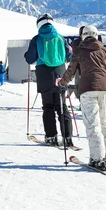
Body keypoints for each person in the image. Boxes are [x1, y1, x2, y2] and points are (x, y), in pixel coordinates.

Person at [58, 25, 106, 171]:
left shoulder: (79, 51)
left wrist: (62, 82)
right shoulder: (104, 50)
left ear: (83, 36)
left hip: (88, 89)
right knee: (105, 123)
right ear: (96, 35)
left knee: (93, 125)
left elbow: (71, 70)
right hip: (105, 89)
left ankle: (97, 159)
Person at [24, 13, 73, 146]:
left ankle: (51, 136)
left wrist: (26, 54)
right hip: (60, 74)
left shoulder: (36, 39)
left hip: (44, 75)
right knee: (62, 107)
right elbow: (69, 55)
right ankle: (67, 138)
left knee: (48, 107)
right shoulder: (60, 38)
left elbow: (30, 59)